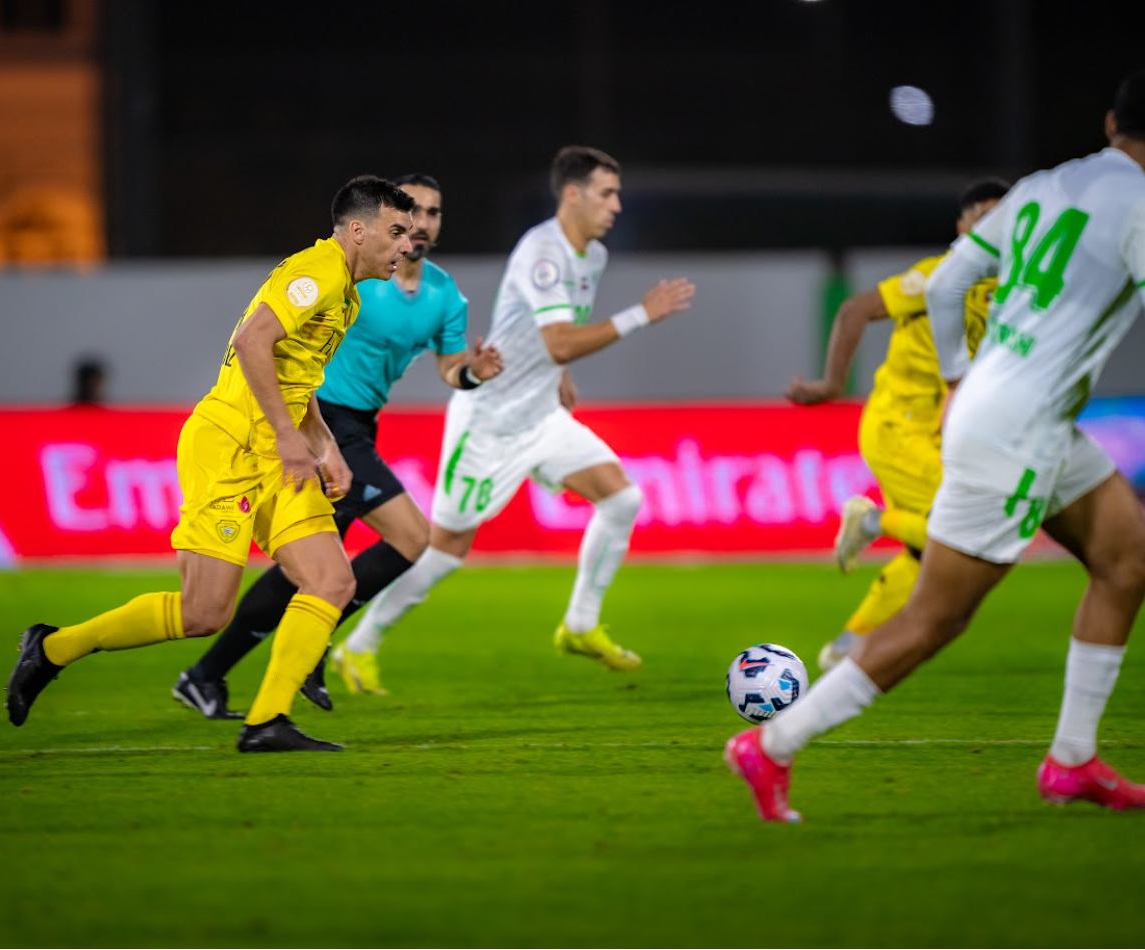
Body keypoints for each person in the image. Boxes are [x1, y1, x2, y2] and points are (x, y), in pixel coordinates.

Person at [727, 68, 1145, 822]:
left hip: (1011, 407)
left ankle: (1072, 761)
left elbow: (950, 282)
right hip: (1019, 428)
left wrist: (955, 379)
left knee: (1127, 558)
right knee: (935, 617)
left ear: (1112, 121)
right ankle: (772, 745)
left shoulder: (1050, 183)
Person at [4, 175, 415, 752]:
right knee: (204, 613)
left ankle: (267, 721)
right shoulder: (317, 272)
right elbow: (252, 343)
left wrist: (321, 444)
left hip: (277, 454)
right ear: (357, 230)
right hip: (229, 447)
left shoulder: (345, 292)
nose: (406, 245)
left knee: (331, 579)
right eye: (396, 231)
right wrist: (286, 436)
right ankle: (52, 648)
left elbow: (294, 380)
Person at [345, 145, 696, 684]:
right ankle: (359, 645)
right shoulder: (543, 252)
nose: (617, 206)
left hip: (541, 415)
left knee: (622, 498)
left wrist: (558, 376)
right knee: (444, 550)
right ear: (573, 195)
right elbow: (558, 341)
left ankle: (579, 625)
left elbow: (550, 336)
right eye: (607, 194)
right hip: (491, 421)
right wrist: (639, 316)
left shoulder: (592, 256)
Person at [171, 173, 503, 717]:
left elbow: (451, 369)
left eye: (432, 213)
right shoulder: (360, 280)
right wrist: (300, 433)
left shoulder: (444, 295)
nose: (419, 224)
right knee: (409, 536)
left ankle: (210, 672)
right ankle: (309, 644)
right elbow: (276, 337)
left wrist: (475, 373)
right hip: (325, 422)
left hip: (353, 427)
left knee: (314, 572)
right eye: (408, 213)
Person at [785, 178, 1010, 673]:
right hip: (897, 426)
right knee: (962, 535)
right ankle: (868, 521)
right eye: (984, 218)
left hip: (941, 436)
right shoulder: (939, 276)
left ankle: (847, 645)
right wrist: (831, 382)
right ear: (962, 226)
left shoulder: (1012, 292)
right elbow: (855, 309)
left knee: (926, 551)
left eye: (1003, 218)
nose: (994, 229)